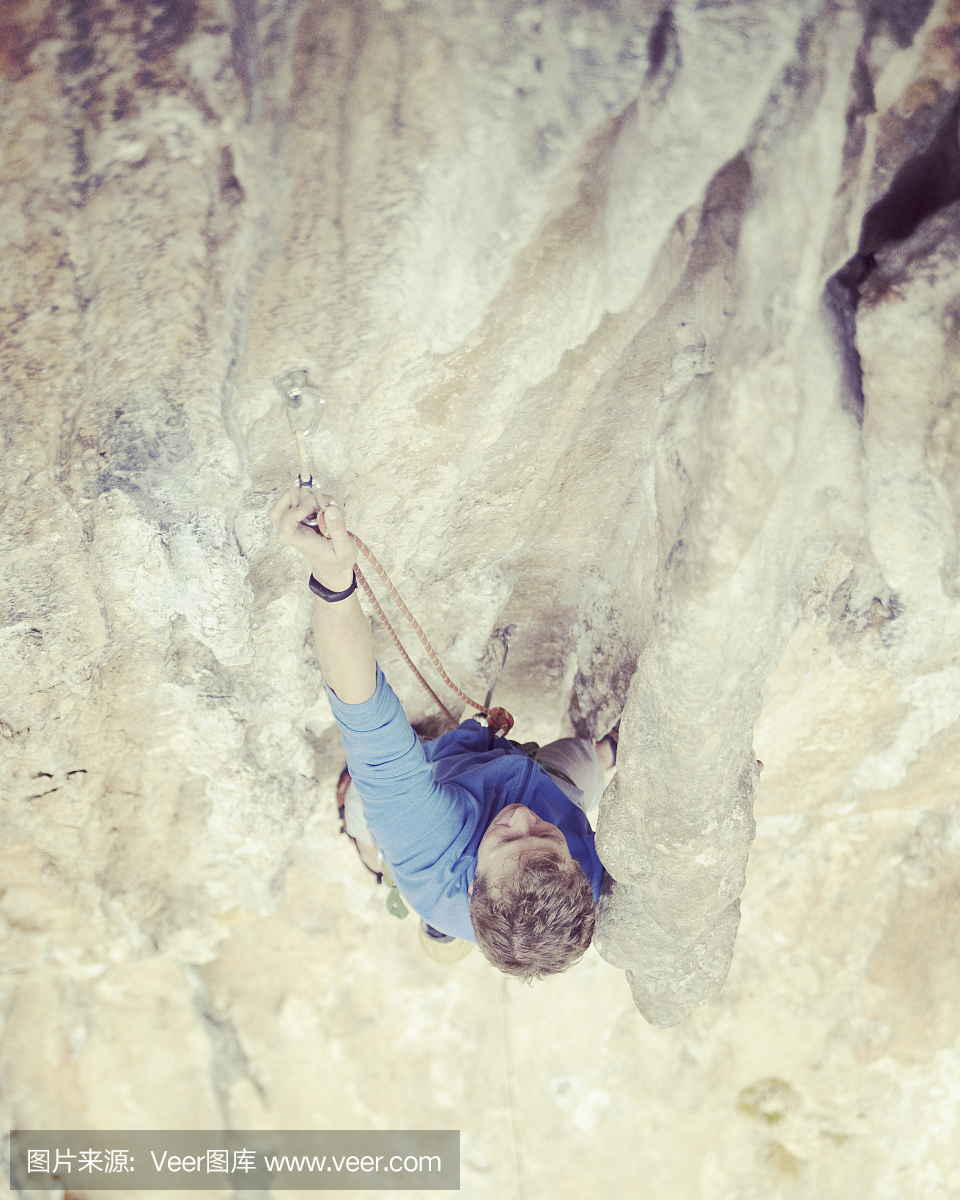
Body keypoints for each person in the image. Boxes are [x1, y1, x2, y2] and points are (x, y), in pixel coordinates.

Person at [269, 491, 615, 980]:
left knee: (373, 827)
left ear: (476, 887)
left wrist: (332, 581)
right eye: (544, 834)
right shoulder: (588, 877)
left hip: (416, 843)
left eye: (506, 840)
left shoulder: (427, 841)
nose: (521, 819)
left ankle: (428, 916)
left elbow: (364, 714)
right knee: (590, 765)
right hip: (515, 783)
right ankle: (446, 927)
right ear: (575, 868)